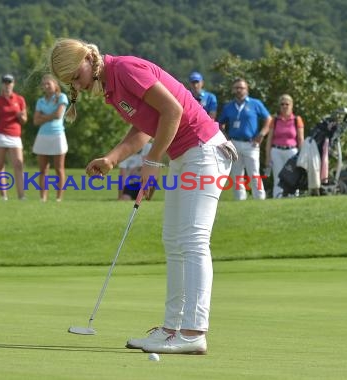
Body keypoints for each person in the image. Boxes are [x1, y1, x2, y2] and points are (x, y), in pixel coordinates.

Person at [48, 38, 237, 355]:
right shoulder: (111, 88)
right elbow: (143, 129)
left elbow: (173, 111)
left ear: (85, 60)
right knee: (173, 239)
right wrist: (112, 158)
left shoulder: (125, 69)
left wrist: (152, 162)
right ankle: (171, 329)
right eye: (69, 82)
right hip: (186, 155)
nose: (75, 85)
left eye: (74, 76)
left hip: (205, 151)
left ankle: (193, 332)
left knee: (192, 239)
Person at [218, 78, 272, 200]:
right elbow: (220, 124)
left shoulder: (255, 103)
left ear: (247, 90)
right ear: (233, 90)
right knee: (237, 174)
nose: (239, 90)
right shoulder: (229, 106)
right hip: (235, 142)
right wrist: (226, 138)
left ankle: (260, 198)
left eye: (241, 88)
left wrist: (262, 134)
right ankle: (240, 200)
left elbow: (268, 119)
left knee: (254, 173)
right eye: (236, 88)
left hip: (251, 143)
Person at [0, 74, 27, 200]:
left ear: (13, 84)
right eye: (5, 82)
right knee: (0, 165)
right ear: (2, 84)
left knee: (18, 165)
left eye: (9, 82)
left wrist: (20, 116)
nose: (7, 85)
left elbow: (24, 120)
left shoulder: (20, 99)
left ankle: (21, 195)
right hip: (0, 135)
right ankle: (3, 196)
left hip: (15, 135)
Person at [32, 74, 69, 202]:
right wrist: (50, 116)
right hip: (43, 136)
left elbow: (58, 115)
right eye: (44, 84)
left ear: (55, 84)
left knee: (59, 169)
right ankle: (43, 197)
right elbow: (35, 121)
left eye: (49, 83)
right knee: (43, 169)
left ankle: (59, 198)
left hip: (57, 135)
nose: (46, 86)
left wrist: (43, 117)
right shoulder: (40, 101)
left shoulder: (62, 97)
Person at [265, 94, 305, 198]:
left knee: (292, 175)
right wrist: (268, 156)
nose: (284, 106)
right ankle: (277, 197)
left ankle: (293, 197)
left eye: (287, 104)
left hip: (292, 151)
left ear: (291, 105)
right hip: (276, 151)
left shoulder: (297, 119)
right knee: (278, 176)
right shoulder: (275, 120)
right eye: (282, 104)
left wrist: (302, 156)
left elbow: (300, 139)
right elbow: (269, 139)